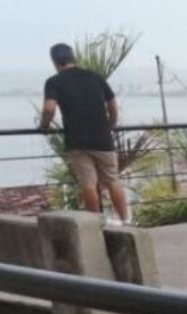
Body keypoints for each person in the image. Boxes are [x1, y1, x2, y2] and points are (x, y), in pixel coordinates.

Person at [39, 43, 129, 222]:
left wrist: (44, 126)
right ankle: (126, 221)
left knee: (88, 184)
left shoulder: (54, 82)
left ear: (55, 62)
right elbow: (112, 105)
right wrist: (110, 124)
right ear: (73, 57)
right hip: (102, 137)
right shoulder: (95, 77)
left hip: (77, 140)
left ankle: (97, 224)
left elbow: (49, 108)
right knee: (112, 180)